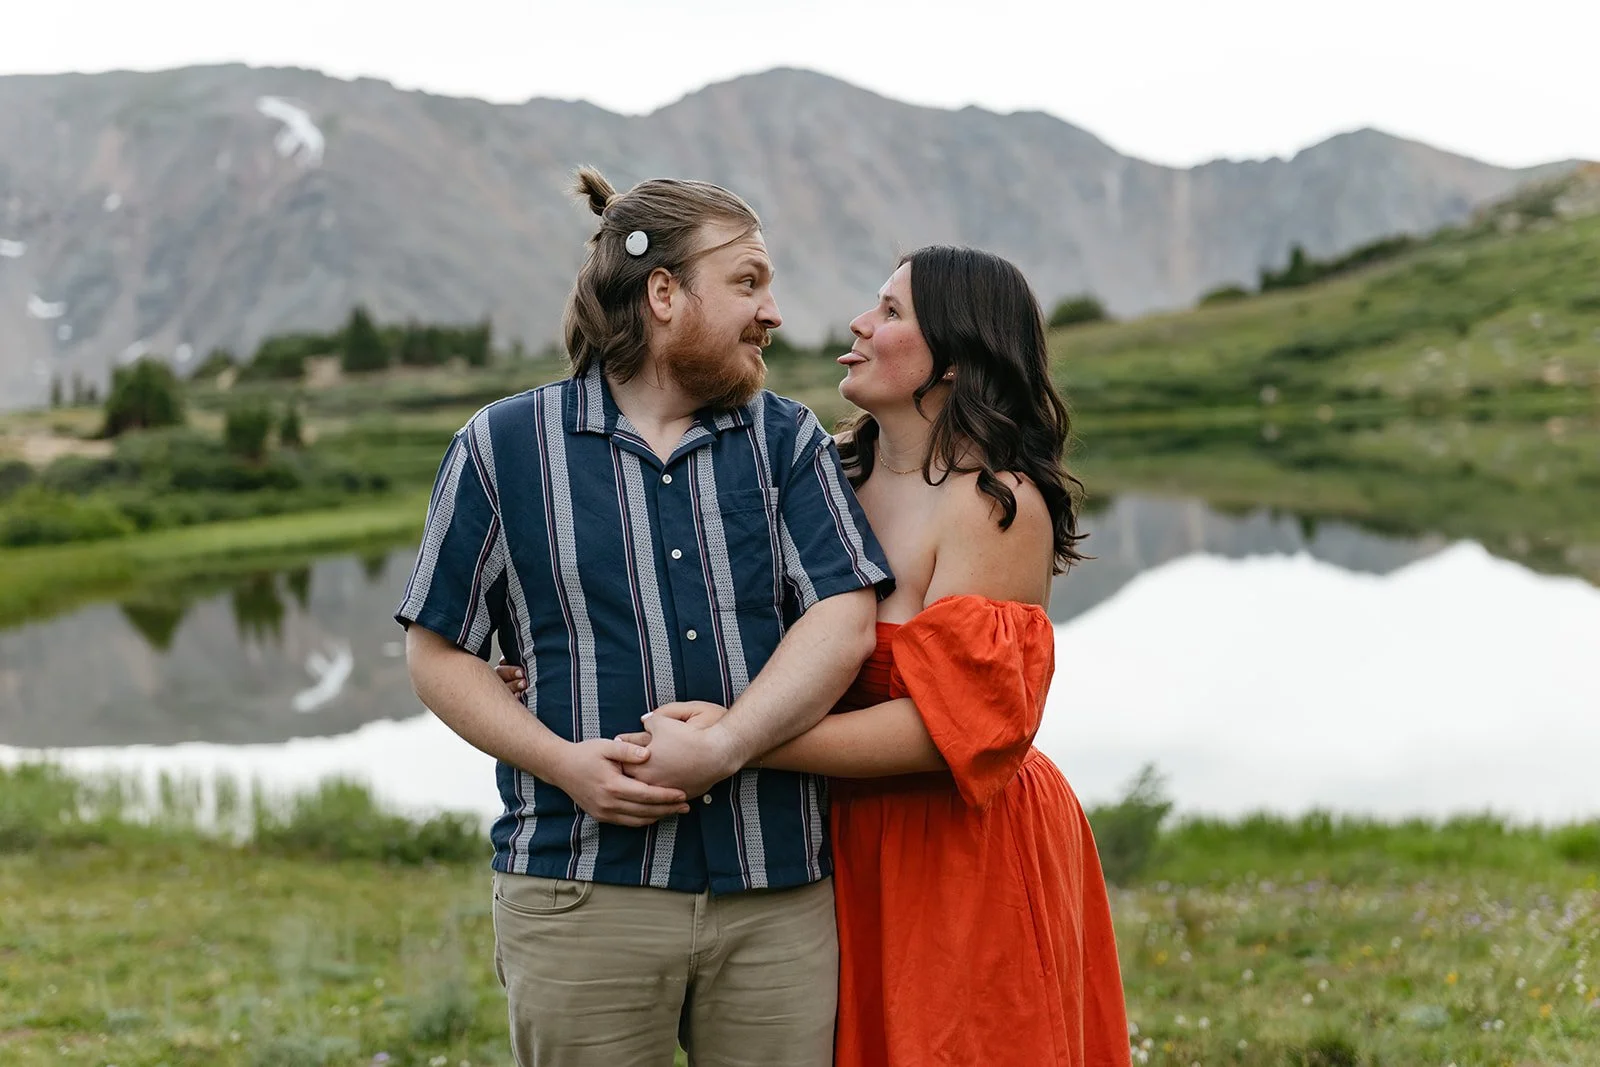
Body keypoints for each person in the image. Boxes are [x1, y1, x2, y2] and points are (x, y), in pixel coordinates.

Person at [539, 245, 1134, 1065]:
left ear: (957, 360)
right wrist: (547, 675)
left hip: (959, 848)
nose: (858, 322)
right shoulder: (824, 472)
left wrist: (732, 747)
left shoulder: (995, 503)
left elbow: (953, 730)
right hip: (831, 844)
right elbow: (718, 622)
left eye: (891, 312)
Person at [398, 165, 893, 1067]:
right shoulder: (501, 446)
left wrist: (728, 742)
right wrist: (564, 764)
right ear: (664, 293)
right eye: (747, 281)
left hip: (776, 891)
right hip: (578, 888)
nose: (773, 311)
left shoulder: (788, 442)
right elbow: (437, 651)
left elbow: (843, 618)